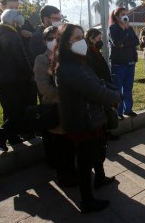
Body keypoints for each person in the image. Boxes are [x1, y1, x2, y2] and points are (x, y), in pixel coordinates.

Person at [54, 23, 121, 213]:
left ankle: (99, 179)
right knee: (84, 163)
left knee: (96, 151)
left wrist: (112, 89)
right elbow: (95, 90)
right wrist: (116, 96)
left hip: (90, 117)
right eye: (76, 38)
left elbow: (97, 81)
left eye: (82, 37)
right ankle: (87, 200)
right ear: (66, 43)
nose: (81, 41)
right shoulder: (69, 68)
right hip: (83, 121)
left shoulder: (78, 62)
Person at [34, 26, 76, 186]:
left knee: (71, 143)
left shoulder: (66, 56)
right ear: (44, 41)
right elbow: (44, 88)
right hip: (55, 108)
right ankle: (63, 175)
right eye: (50, 38)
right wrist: (65, 95)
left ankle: (73, 171)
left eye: (57, 38)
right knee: (60, 145)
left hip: (70, 108)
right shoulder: (41, 59)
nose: (54, 41)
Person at [0, 9, 33, 152]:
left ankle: (12, 137)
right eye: (18, 23)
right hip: (14, 79)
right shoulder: (12, 35)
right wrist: (31, 73)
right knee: (20, 109)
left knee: (9, 109)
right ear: (13, 22)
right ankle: (1, 135)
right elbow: (21, 58)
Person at [108, 7, 140, 119]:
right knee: (117, 88)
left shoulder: (130, 28)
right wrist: (124, 32)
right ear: (116, 17)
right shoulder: (113, 28)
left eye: (126, 14)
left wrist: (125, 43)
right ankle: (119, 112)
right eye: (122, 14)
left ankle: (128, 109)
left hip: (131, 61)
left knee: (128, 87)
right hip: (118, 63)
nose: (125, 16)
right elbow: (117, 43)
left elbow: (136, 41)